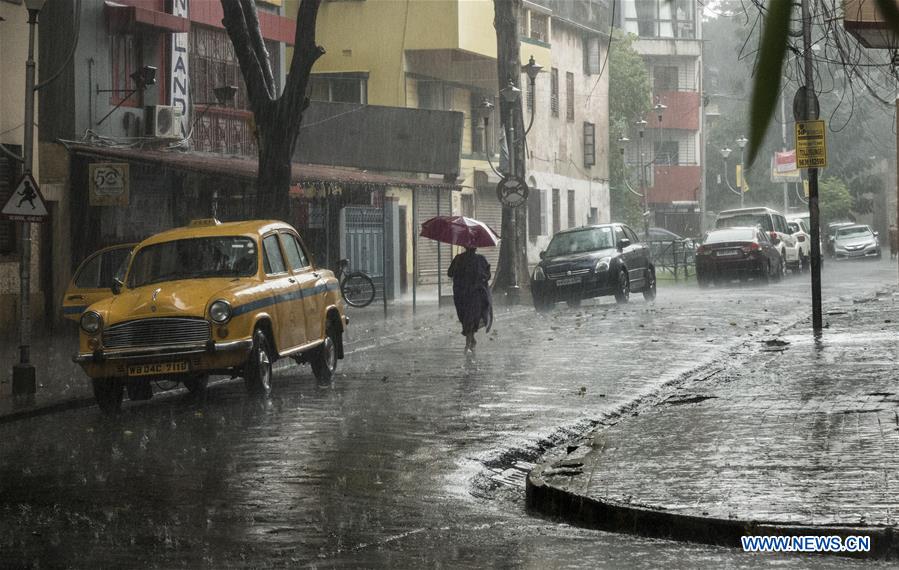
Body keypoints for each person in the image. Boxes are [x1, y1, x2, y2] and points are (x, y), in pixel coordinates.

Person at [447, 246, 493, 354]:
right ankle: (471, 340)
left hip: (463, 295)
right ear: (476, 248)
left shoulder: (459, 259)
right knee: (470, 319)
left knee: (468, 318)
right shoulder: (480, 259)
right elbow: (487, 276)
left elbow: (450, 273)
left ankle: (468, 343)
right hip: (472, 295)